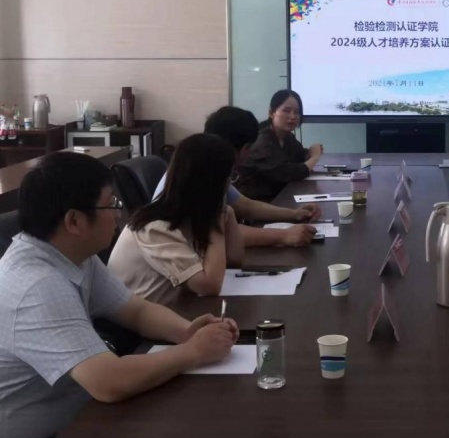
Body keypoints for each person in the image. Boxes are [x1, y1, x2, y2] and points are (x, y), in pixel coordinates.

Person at [0, 152, 237, 438]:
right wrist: (194, 351)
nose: (119, 214)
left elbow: (136, 310)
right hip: (46, 436)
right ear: (74, 220)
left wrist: (188, 332)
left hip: (83, 411)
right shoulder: (37, 286)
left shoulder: (72, 253)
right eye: (110, 203)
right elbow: (108, 382)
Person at [109, 134, 245, 307]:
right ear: (212, 183)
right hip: (140, 321)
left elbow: (235, 258)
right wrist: (215, 222)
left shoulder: (188, 214)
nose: (228, 185)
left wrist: (228, 213)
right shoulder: (154, 228)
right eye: (228, 177)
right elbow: (210, 286)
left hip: (175, 310)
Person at [154, 106, 320, 246]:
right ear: (242, 148)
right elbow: (221, 234)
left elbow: (244, 205)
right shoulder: (201, 173)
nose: (249, 154)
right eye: (249, 148)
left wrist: (293, 214)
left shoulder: (207, 163)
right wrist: (284, 235)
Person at [236, 90, 325, 202]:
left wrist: (312, 152)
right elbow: (288, 173)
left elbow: (300, 157)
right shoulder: (262, 139)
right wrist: (315, 157)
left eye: (297, 112)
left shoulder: (287, 136)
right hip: (258, 203)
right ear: (271, 112)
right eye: (286, 110)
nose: (292, 116)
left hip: (278, 197)